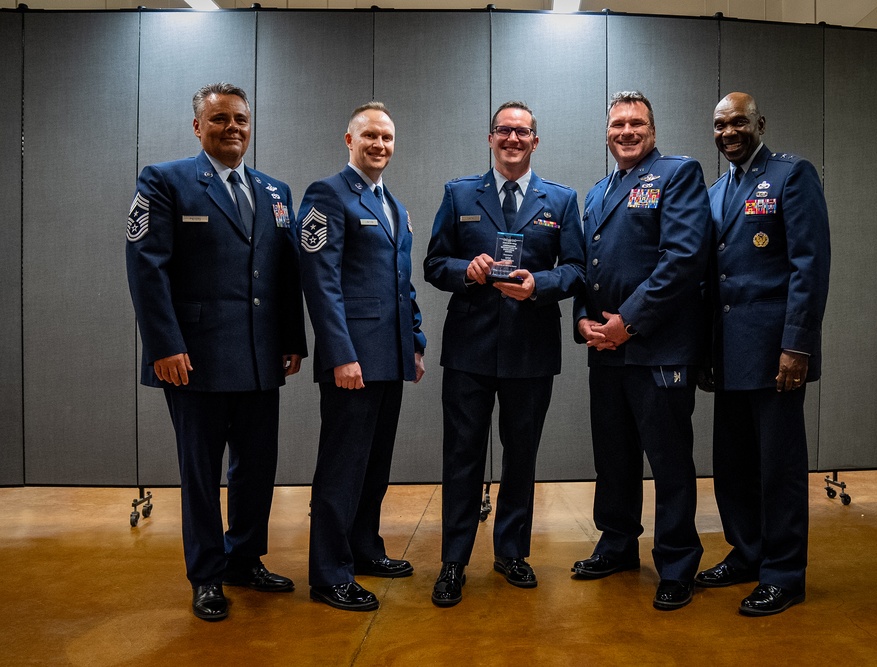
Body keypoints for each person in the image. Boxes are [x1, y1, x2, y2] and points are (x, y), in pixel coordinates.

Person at [125, 82, 307, 622]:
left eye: (242, 120)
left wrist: (292, 340)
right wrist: (164, 345)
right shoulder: (164, 181)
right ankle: (206, 575)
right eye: (221, 119)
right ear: (198, 126)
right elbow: (145, 267)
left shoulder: (276, 191)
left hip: (259, 357)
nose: (233, 128)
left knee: (256, 468)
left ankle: (245, 558)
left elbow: (285, 274)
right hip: (193, 359)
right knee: (201, 474)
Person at [423, 101, 584, 607]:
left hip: (531, 351)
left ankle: (512, 552)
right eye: (504, 131)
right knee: (462, 456)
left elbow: (577, 269)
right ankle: (453, 561)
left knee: (521, 457)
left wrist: (541, 283)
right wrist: (463, 270)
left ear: (536, 141)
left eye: (523, 132)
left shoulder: (560, 201)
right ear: (490, 138)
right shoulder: (458, 193)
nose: (513, 139)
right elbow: (433, 264)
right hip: (470, 349)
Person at [571, 91, 711, 611]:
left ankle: (676, 563)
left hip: (659, 349)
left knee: (670, 461)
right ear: (606, 132)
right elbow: (591, 266)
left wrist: (628, 322)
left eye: (636, 123)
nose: (626, 131)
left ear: (652, 129)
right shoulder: (597, 192)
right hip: (605, 349)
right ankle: (617, 544)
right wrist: (582, 317)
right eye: (617, 124)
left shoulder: (678, 174)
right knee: (614, 457)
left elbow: (683, 259)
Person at [695, 92, 830, 616]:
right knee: (732, 465)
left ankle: (784, 573)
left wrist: (797, 345)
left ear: (760, 124)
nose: (729, 132)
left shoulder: (791, 176)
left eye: (738, 123)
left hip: (775, 353)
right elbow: (713, 276)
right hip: (728, 355)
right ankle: (747, 552)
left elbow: (809, 266)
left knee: (779, 468)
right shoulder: (715, 190)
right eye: (720, 124)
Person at [298, 101, 426, 613]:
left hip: (390, 357)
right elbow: (320, 282)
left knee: (375, 465)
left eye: (388, 138)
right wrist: (340, 355)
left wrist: (413, 342)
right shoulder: (327, 195)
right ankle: (329, 573)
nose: (379, 145)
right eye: (370, 136)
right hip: (352, 361)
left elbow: (400, 283)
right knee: (341, 468)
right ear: (348, 139)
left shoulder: (391, 203)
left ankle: (364, 548)